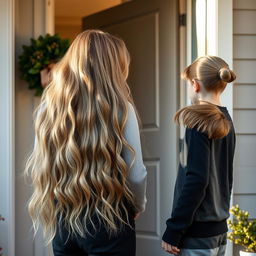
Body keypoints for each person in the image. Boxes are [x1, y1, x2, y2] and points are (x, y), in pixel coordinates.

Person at [25, 30, 147, 256]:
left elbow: (44, 162)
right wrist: (138, 205)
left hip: (65, 217)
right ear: (111, 66)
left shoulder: (49, 108)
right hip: (110, 216)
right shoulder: (122, 108)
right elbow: (136, 173)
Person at [162, 56, 236, 256]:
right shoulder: (226, 120)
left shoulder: (198, 122)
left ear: (195, 85)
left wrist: (174, 228)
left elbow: (197, 179)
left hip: (198, 235)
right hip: (218, 231)